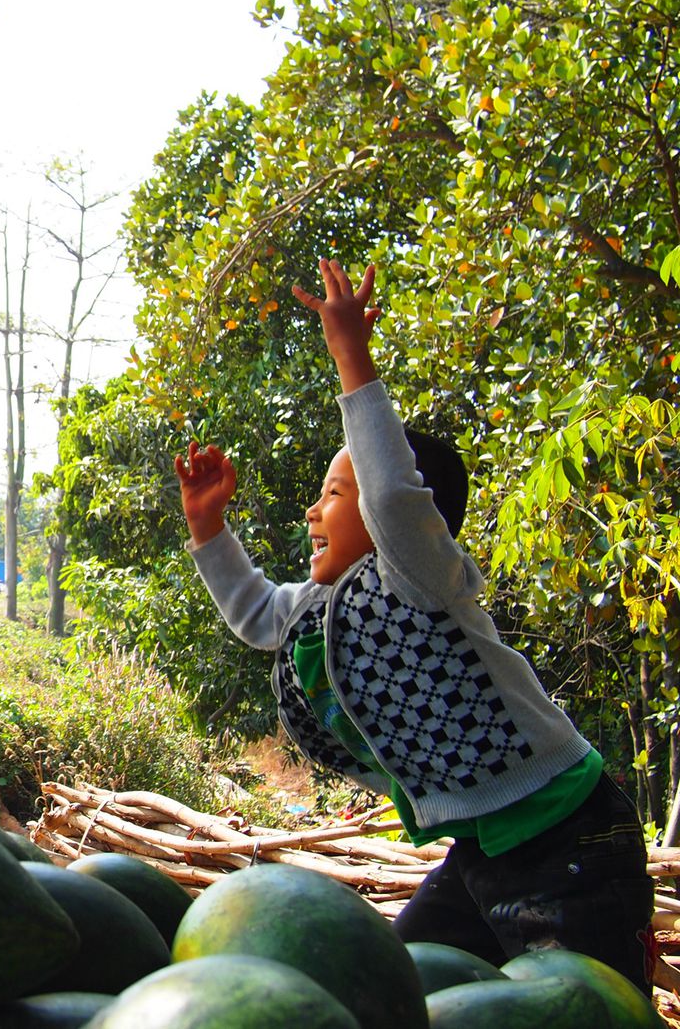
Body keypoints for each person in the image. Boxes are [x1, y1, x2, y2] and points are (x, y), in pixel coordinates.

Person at [174, 258, 654, 991]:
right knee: (398, 983)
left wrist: (349, 354)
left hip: (567, 832)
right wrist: (208, 528)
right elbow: (253, 612)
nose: (314, 510)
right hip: (483, 848)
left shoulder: (419, 574)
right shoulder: (320, 610)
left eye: (336, 493)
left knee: (592, 1004)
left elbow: (394, 493)